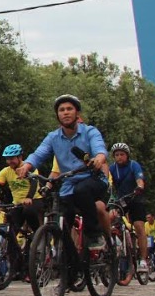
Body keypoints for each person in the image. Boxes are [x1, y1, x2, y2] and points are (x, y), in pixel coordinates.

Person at [18, 95, 109, 250]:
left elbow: (99, 148)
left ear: (77, 113)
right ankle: (68, 258)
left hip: (93, 179)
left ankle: (94, 234)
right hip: (69, 184)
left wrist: (99, 158)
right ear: (57, 115)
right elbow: (39, 154)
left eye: (69, 109)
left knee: (82, 190)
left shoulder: (90, 131)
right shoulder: (53, 137)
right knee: (61, 216)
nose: (65, 113)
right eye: (61, 110)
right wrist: (27, 165)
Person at [107, 142, 148, 273]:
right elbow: (107, 183)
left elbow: (139, 179)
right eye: (117, 155)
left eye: (122, 154)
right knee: (110, 218)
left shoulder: (133, 165)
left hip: (135, 198)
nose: (119, 157)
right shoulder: (112, 169)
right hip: (120, 200)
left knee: (139, 226)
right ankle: (113, 245)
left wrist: (140, 186)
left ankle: (143, 260)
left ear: (127, 155)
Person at [0, 144, 44, 236]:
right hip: (17, 203)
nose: (9, 161)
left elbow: (34, 183)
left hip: (34, 199)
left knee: (28, 211)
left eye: (11, 158)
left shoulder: (29, 167)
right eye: (7, 159)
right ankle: (11, 248)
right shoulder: (6, 171)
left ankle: (38, 234)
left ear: (20, 157)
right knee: (11, 226)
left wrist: (29, 197)